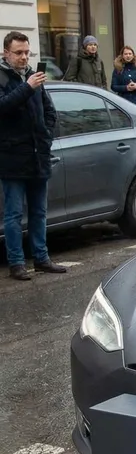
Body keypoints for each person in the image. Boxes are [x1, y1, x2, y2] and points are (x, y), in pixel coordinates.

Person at [0, 31, 67, 280]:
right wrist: (27, 88)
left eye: (27, 52)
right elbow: (3, 106)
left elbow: (49, 111)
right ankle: (16, 262)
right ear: (6, 53)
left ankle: (41, 258)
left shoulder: (33, 77)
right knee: (14, 213)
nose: (24, 57)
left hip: (38, 155)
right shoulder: (5, 77)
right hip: (12, 157)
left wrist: (46, 135)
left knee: (39, 211)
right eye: (18, 53)